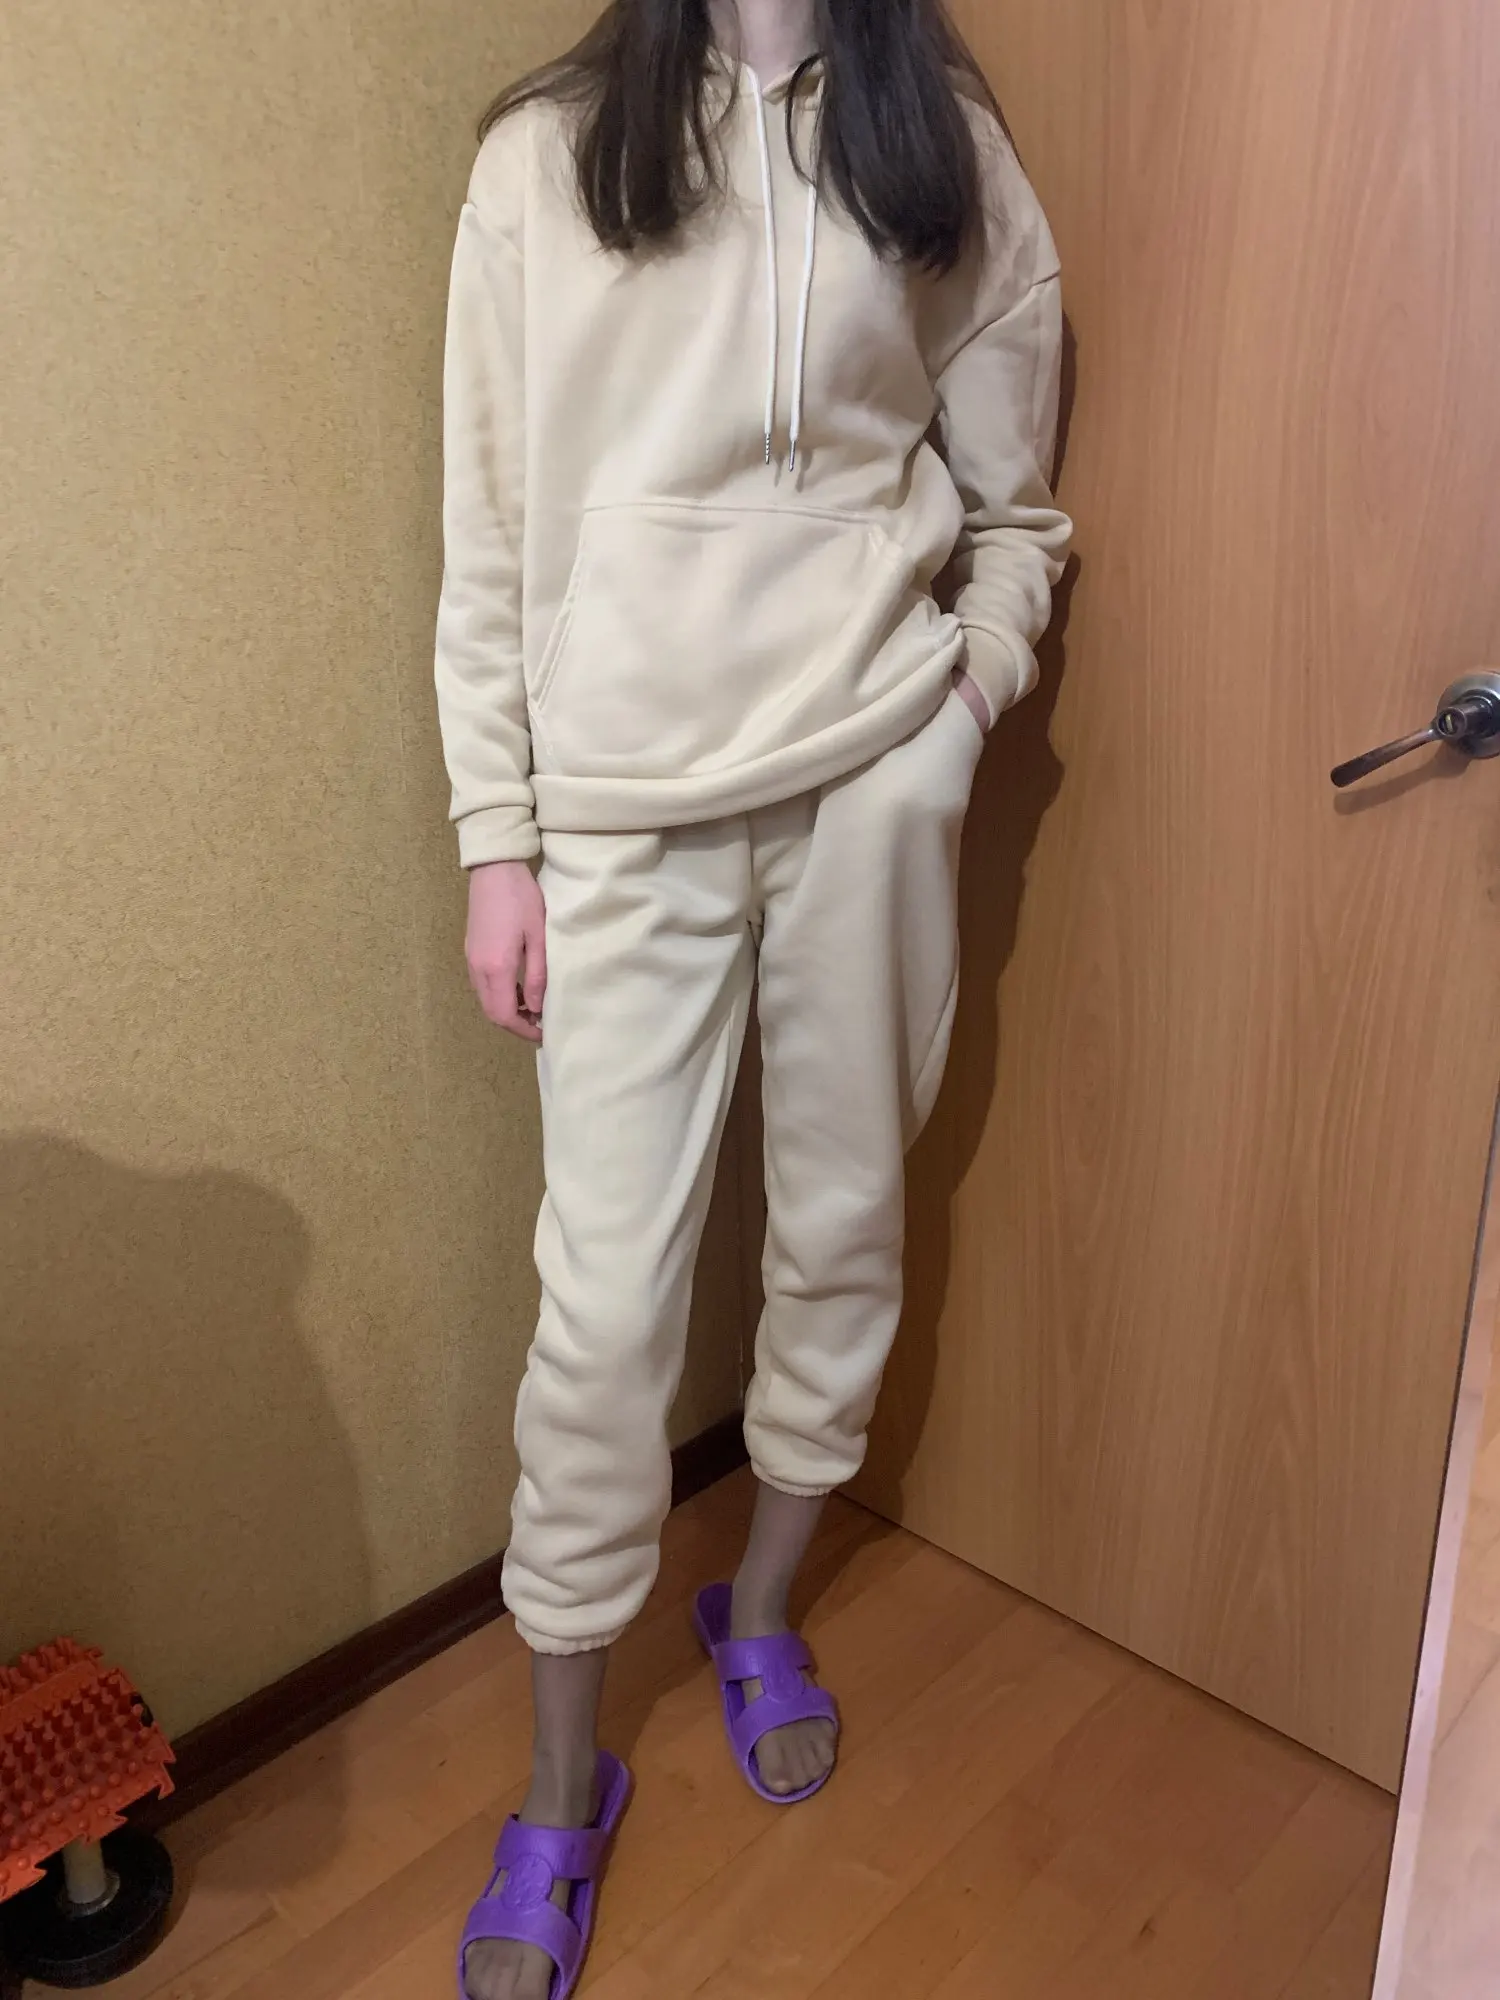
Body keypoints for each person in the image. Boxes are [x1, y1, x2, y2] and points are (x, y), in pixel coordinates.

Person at [435, 0, 1071, 1992]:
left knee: (847, 1224)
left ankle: (763, 1606)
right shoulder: (546, 156)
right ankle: (562, 1780)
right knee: (605, 1314)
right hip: (623, 812)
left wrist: (963, 706)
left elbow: (1014, 500)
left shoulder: (934, 141)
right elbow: (488, 538)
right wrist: (498, 839)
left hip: (870, 783)